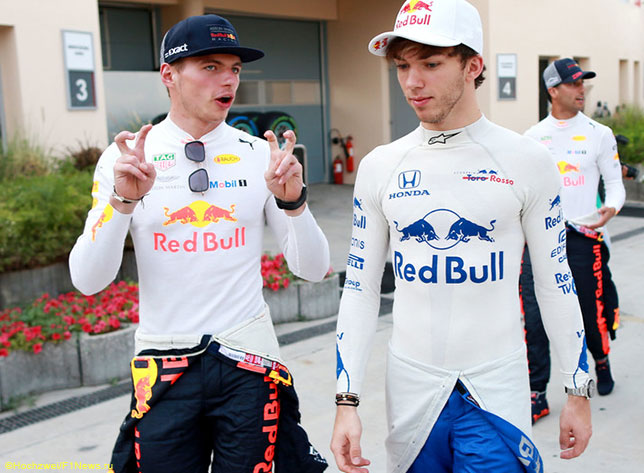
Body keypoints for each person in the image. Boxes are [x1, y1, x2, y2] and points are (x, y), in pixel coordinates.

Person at [330, 1, 593, 472]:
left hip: (496, 387)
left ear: (473, 66)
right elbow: (361, 289)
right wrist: (345, 401)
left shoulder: (527, 161)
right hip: (410, 389)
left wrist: (577, 388)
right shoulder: (379, 166)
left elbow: (555, 282)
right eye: (403, 66)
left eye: (431, 64)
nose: (412, 82)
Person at [69, 14, 330, 473]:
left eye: (235, 68)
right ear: (168, 75)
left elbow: (313, 269)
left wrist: (294, 202)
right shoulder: (125, 158)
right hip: (163, 364)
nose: (228, 80)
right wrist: (122, 202)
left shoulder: (259, 154)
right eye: (210, 67)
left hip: (249, 362)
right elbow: (87, 280)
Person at [522, 58, 626, 419]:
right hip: (540, 241)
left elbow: (615, 185)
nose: (581, 89)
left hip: (584, 237)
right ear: (553, 91)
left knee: (589, 314)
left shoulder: (599, 133)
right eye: (573, 83)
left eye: (583, 83)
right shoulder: (532, 138)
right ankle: (537, 392)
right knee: (535, 320)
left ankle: (601, 361)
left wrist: (611, 208)